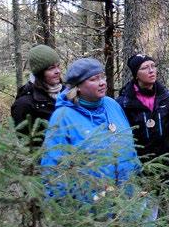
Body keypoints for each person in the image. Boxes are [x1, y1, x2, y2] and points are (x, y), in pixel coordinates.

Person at [41, 58, 140, 202]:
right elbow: (53, 168)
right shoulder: (63, 116)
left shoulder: (112, 104)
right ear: (78, 87)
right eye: (94, 79)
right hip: (88, 210)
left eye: (102, 77)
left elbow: (130, 146)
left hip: (126, 204)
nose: (102, 82)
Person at [117, 54, 169, 176]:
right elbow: (122, 140)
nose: (151, 70)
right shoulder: (124, 102)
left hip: (166, 168)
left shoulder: (166, 98)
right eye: (145, 68)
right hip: (138, 170)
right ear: (136, 74)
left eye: (153, 66)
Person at [11, 44, 66, 137]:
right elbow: (22, 143)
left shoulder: (67, 93)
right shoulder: (24, 104)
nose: (58, 71)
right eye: (51, 68)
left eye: (58, 66)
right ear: (39, 72)